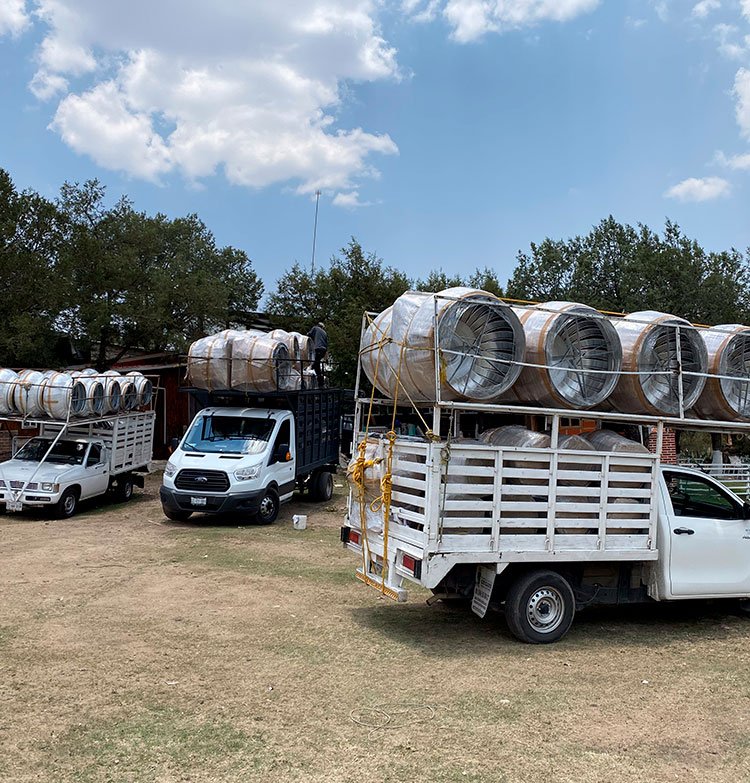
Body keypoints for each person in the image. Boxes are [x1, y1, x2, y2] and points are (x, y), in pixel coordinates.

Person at [308, 322, 328, 387]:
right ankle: (320, 381)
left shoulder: (315, 328)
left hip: (318, 349)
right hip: (323, 350)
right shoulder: (325, 333)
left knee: (315, 365)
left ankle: (320, 382)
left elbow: (309, 335)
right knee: (317, 364)